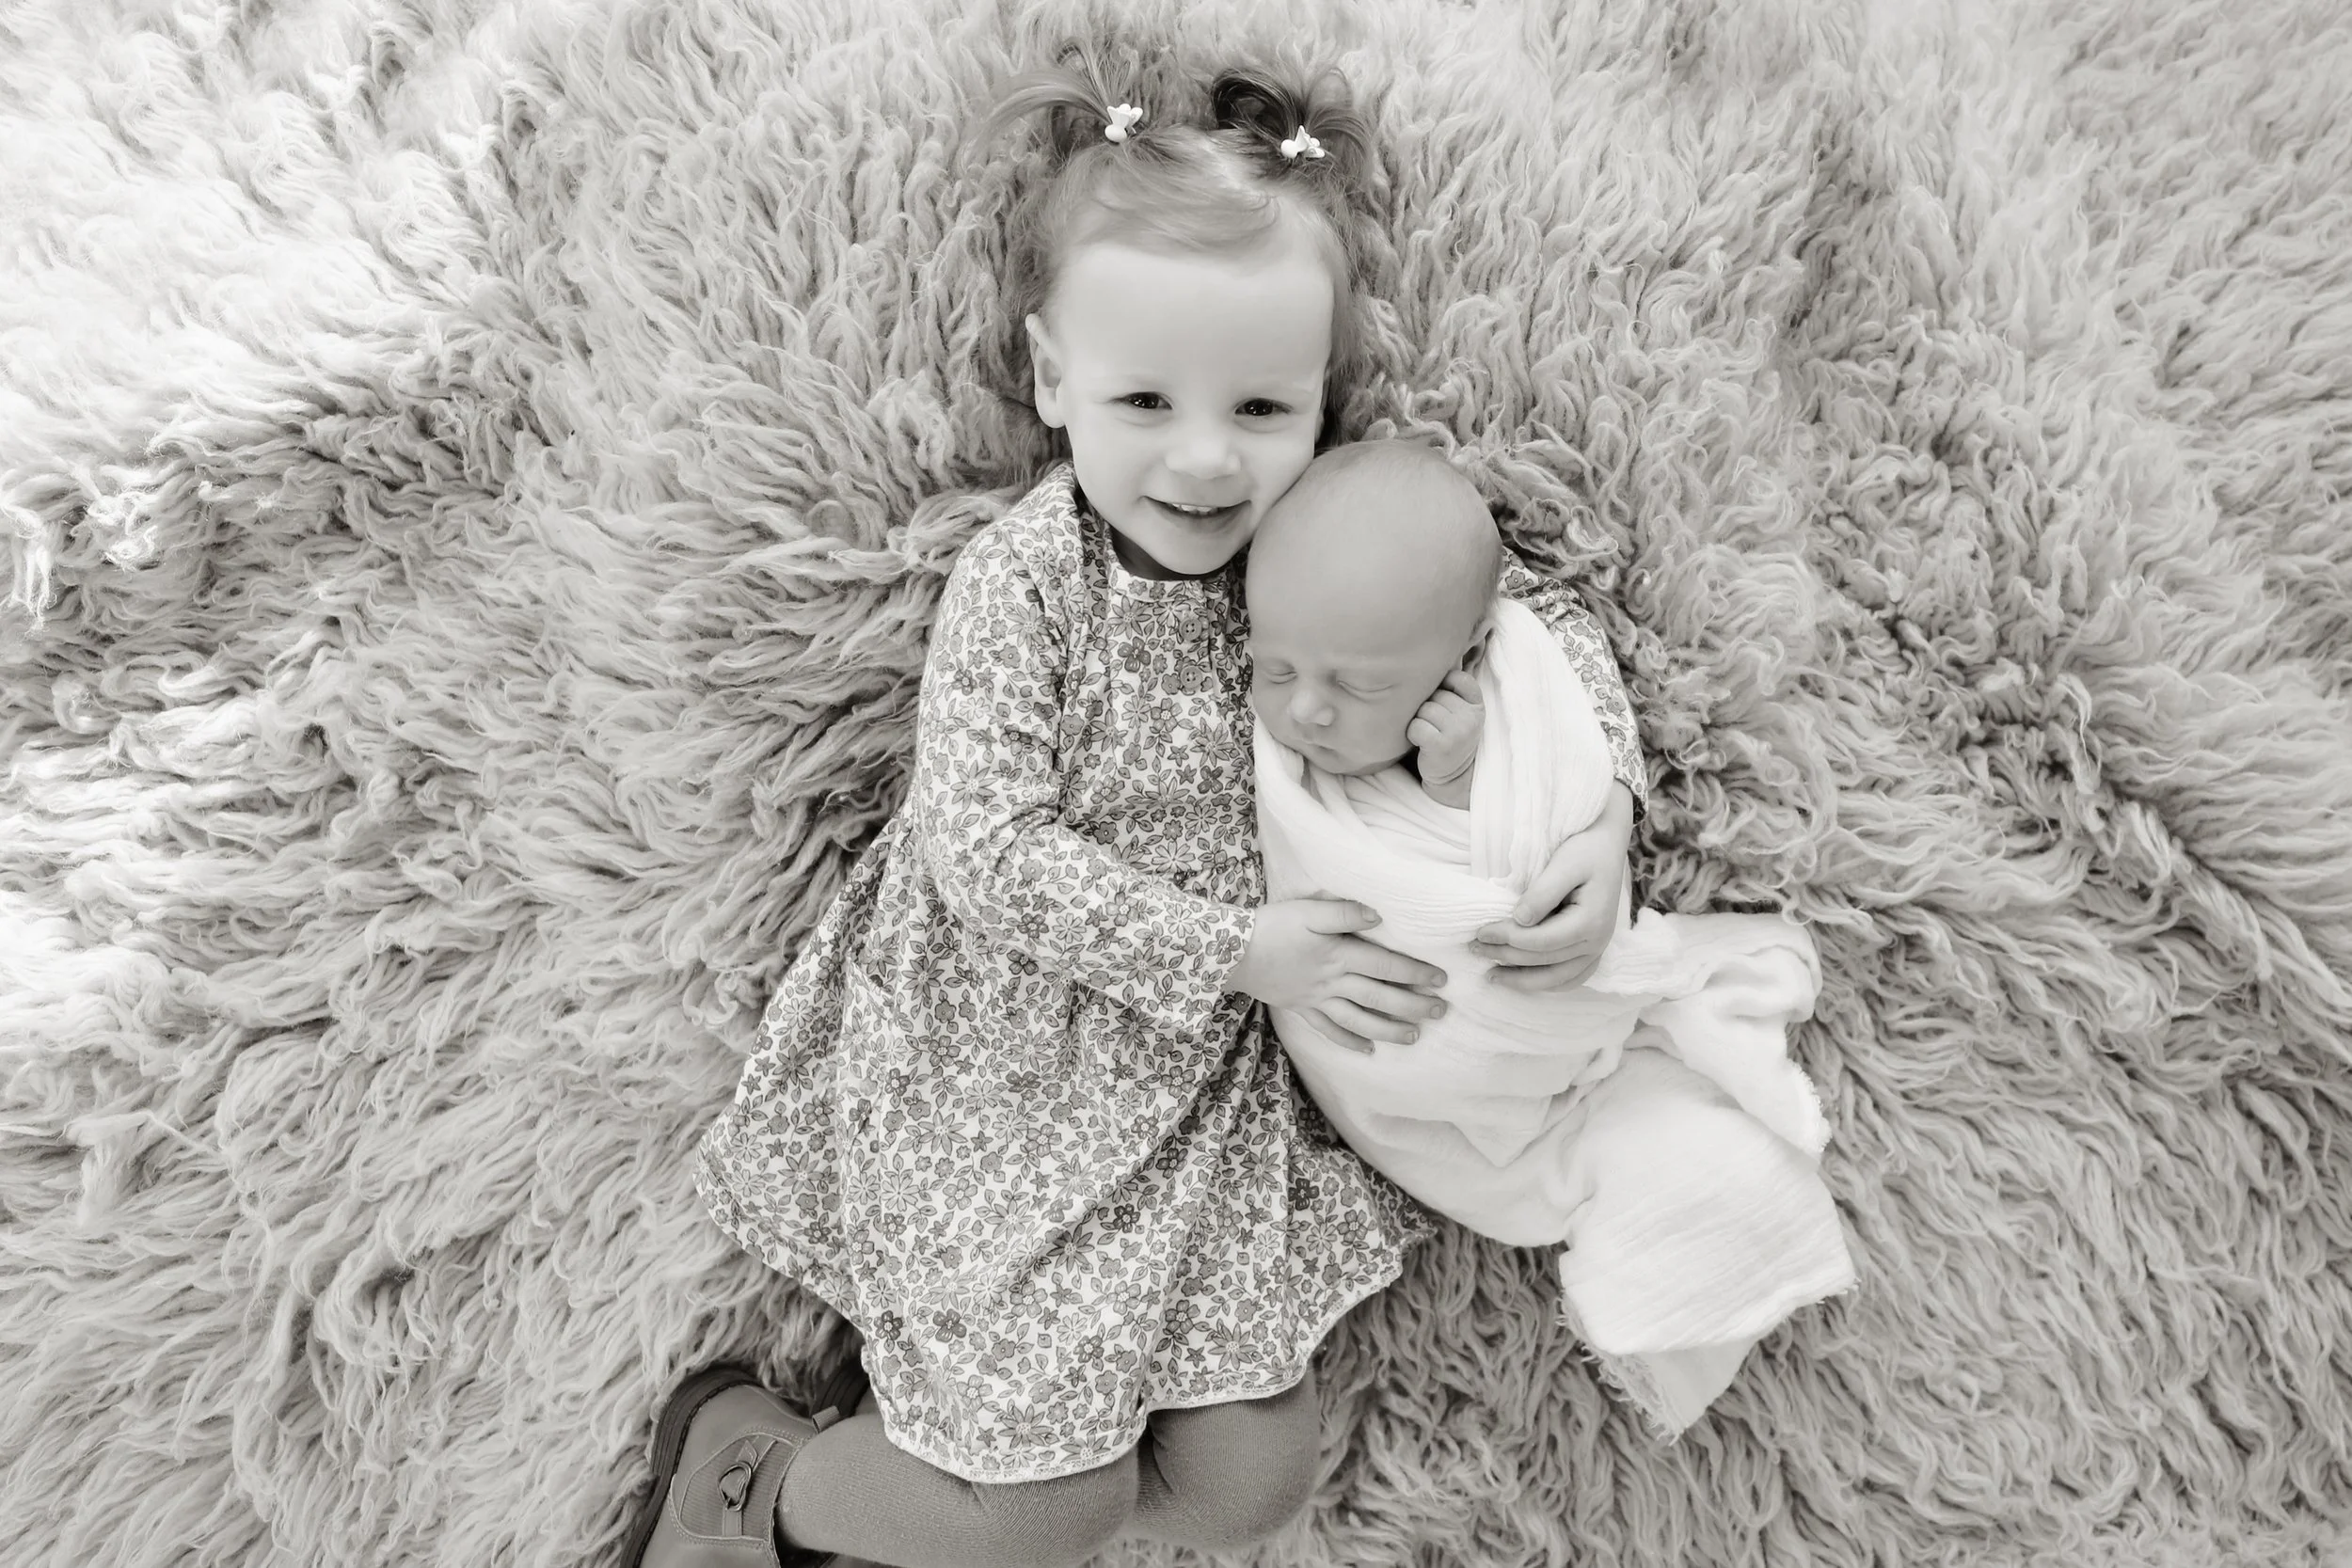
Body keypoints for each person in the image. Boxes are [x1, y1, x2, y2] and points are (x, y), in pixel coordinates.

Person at [626, 48, 1648, 1568]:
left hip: (1201, 1108)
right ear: (1052, 378)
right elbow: (982, 848)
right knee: (1048, 1504)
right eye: (1145, 398)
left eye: (1259, 406)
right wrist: (1238, 947)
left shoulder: (1305, 539)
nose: (1200, 456)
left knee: (1252, 1486)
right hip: (1001, 1072)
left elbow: (1527, 626)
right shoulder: (1032, 579)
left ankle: (945, 1484)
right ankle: (764, 1479)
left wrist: (1601, 812)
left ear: (1320, 397)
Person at [1247, 440, 1853, 1436]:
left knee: (1672, 1128)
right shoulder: (1274, 664)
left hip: (1530, 994)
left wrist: (1491, 789)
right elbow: (1325, 836)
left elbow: (1516, 824)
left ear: (1463, 662)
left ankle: (1676, 1208)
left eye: (1354, 688)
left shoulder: (1503, 668)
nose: (1302, 710)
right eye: (1273, 667)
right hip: (1380, 1042)